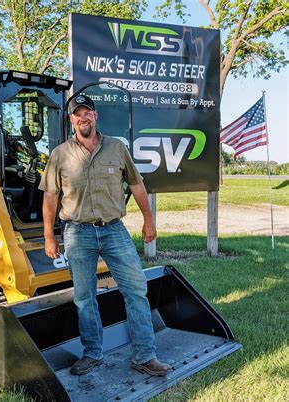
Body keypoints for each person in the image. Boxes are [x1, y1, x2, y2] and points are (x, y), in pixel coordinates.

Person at [39, 94, 172, 377]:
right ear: (71, 119)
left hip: (114, 231)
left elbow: (136, 185)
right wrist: (49, 236)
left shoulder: (116, 148)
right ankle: (93, 354)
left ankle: (145, 356)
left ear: (95, 116)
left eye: (88, 113)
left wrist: (149, 221)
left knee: (136, 290)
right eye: (78, 114)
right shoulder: (60, 154)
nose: (83, 118)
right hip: (78, 233)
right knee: (85, 297)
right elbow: (50, 196)